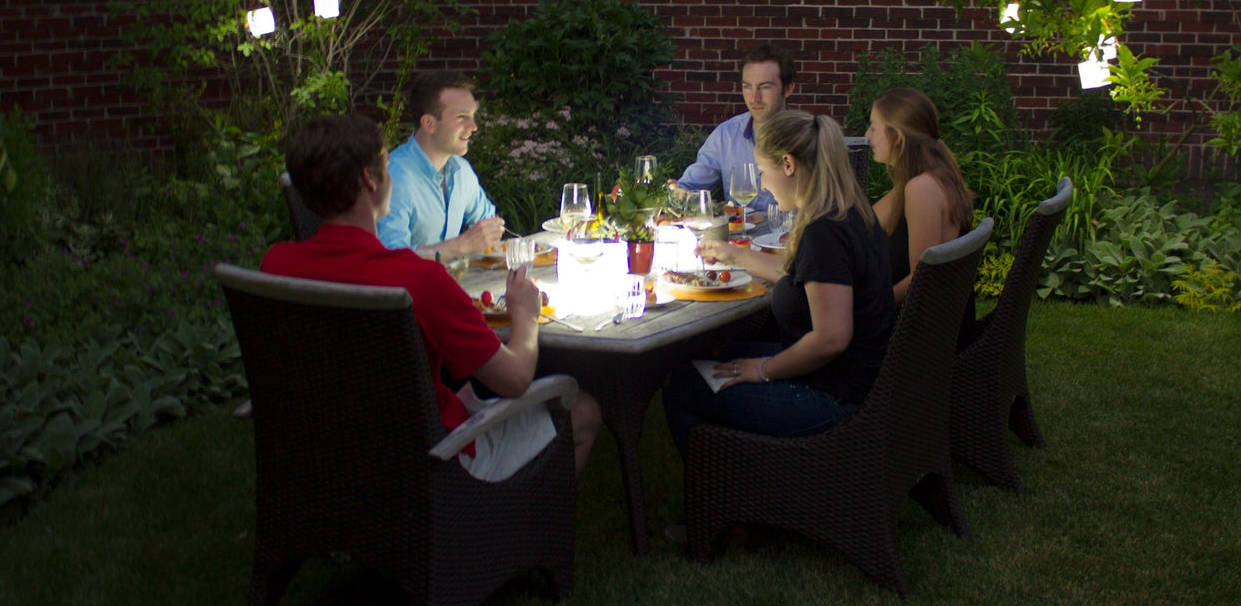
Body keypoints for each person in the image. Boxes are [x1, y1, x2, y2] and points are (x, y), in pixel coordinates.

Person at [261, 114, 601, 480]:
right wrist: (526, 315)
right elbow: (515, 379)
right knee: (583, 412)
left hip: (326, 451)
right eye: (387, 167)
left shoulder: (276, 266)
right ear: (370, 179)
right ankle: (524, 513)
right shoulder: (418, 280)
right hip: (429, 458)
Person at [663, 110, 895, 457]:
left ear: (788, 164)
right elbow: (800, 277)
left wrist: (764, 370)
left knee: (683, 386)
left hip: (837, 399)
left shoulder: (824, 232)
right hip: (856, 379)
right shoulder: (847, 211)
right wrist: (734, 254)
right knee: (716, 356)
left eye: (761, 171)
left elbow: (831, 339)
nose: (762, 185)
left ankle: (732, 481)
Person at [864, 87, 978, 344]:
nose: (867, 135)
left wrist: (868, 307)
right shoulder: (923, 176)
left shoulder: (922, 188)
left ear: (898, 137)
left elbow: (921, 281)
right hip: (929, 330)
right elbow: (866, 222)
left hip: (916, 343)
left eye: (873, 127)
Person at [377, 71, 505, 254]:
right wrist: (460, 246)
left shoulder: (461, 170)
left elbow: (490, 225)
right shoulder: (394, 177)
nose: (473, 126)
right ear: (429, 123)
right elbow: (391, 258)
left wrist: (491, 233)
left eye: (472, 115)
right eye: (461, 117)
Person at [673, 41, 798, 213]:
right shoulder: (726, 135)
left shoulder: (809, 137)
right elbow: (690, 187)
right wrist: (678, 193)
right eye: (747, 87)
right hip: (737, 231)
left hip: (793, 231)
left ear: (788, 88)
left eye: (765, 87)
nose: (754, 98)